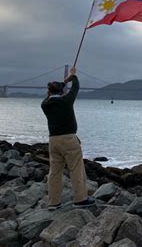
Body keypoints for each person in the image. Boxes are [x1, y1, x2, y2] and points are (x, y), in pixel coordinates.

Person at [41, 67, 95, 210]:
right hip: (69, 140)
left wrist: (63, 84)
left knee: (54, 172)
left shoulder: (45, 105)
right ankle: (80, 199)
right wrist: (73, 76)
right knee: (76, 169)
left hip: (53, 141)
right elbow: (76, 88)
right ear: (61, 91)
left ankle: (53, 202)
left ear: (49, 92)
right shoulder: (66, 101)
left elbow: (49, 96)